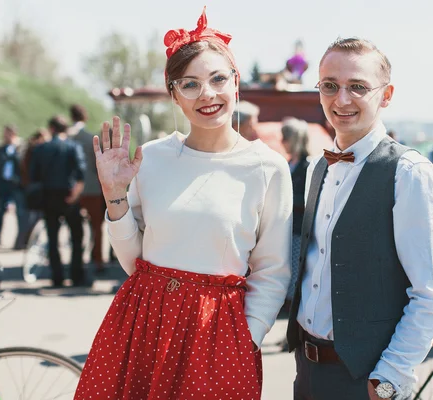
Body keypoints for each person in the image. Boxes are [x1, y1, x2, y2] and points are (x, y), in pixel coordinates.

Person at [74, 8, 292, 399]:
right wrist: (114, 196)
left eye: (217, 79)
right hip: (142, 322)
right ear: (174, 95)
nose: (207, 94)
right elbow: (133, 261)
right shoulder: (150, 158)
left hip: (220, 335)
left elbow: (273, 270)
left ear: (236, 83)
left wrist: (247, 338)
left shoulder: (267, 168)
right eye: (189, 84)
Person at [286, 37, 433, 400]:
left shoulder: (408, 173)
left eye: (357, 87)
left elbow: (432, 296)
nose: (341, 99)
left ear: (386, 94)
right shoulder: (318, 166)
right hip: (306, 370)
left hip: (366, 380)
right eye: (330, 86)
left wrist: (388, 379)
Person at [30, 116, 86, 287]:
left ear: (51, 129)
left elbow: (34, 175)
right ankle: (76, 274)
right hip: (69, 196)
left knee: (52, 238)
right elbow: (81, 172)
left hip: (48, 196)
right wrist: (75, 195)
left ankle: (57, 275)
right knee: (77, 236)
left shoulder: (41, 149)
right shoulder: (72, 146)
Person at [68, 104, 106, 273]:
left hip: (71, 189)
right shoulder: (91, 138)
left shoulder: (67, 137)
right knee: (96, 227)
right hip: (91, 188)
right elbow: (96, 165)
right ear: (85, 117)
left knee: (72, 228)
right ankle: (98, 260)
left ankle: (74, 261)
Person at [280, 117, 310, 305]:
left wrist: (285, 198)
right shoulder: (289, 163)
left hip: (298, 227)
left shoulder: (308, 166)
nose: (282, 142)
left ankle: (291, 304)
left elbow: (308, 199)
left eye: (285, 138)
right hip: (286, 228)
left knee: (295, 268)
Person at [0, 125, 26, 248]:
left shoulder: (20, 148)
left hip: (16, 185)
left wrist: (15, 147)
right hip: (2, 185)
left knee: (20, 213)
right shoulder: (1, 150)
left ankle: (20, 241)